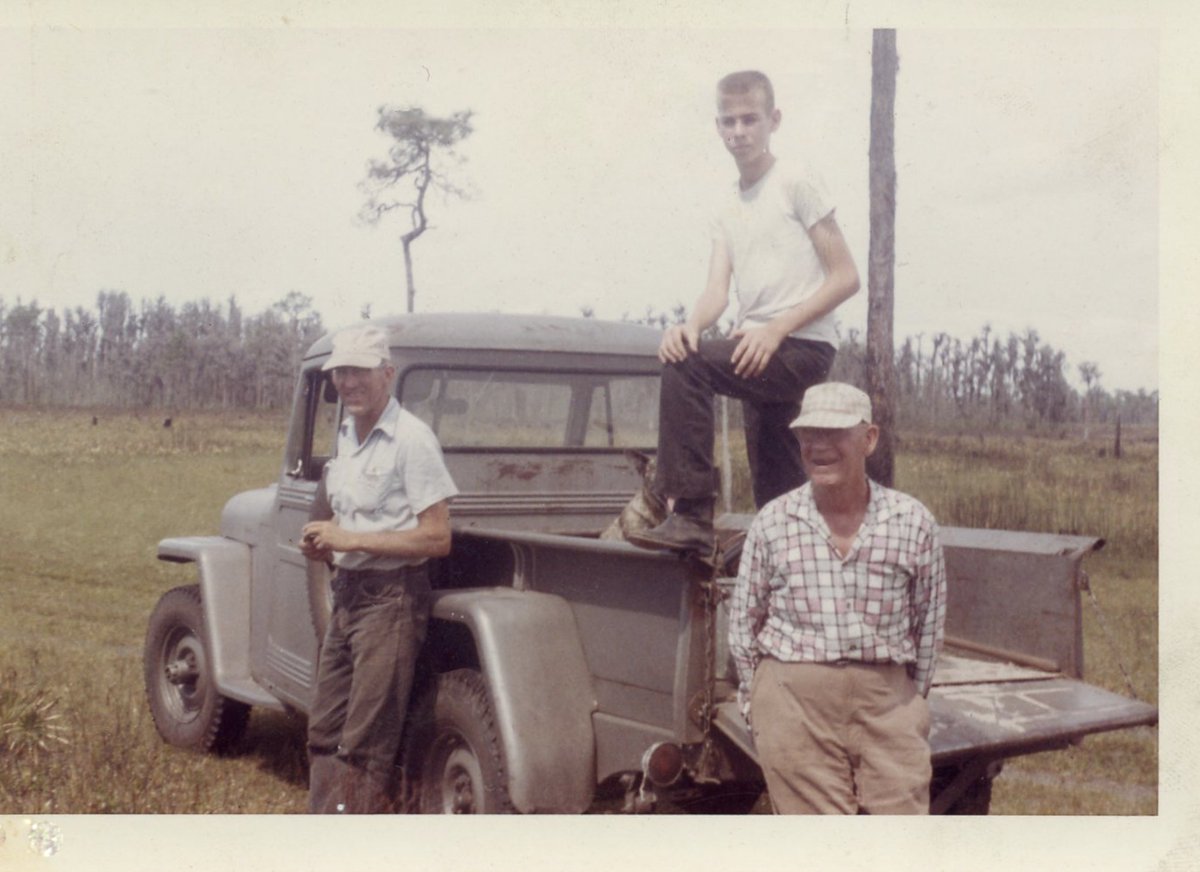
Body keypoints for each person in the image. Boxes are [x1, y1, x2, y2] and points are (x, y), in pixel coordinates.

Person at [629, 70, 860, 555]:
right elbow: (717, 290)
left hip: (800, 345)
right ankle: (787, 553)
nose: (739, 132)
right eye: (729, 122)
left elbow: (845, 276)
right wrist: (690, 325)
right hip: (758, 349)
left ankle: (690, 513)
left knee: (685, 367)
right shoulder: (725, 204)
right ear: (717, 127)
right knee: (774, 484)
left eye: (750, 119)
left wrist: (775, 329)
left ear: (773, 120)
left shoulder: (796, 180)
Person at [728, 383, 946, 814]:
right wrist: (761, 703)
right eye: (808, 434)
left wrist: (909, 703)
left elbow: (929, 622)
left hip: (887, 704)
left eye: (834, 432)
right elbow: (743, 622)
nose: (818, 445)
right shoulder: (775, 520)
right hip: (794, 702)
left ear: (869, 439)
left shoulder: (911, 521)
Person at [300, 324, 458, 813]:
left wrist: (351, 539)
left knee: (365, 745)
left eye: (359, 372)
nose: (348, 383)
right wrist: (326, 542)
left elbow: (438, 537)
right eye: (340, 373)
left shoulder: (412, 439)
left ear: (387, 374)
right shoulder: (347, 433)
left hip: (390, 602)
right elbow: (345, 513)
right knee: (323, 731)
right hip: (347, 596)